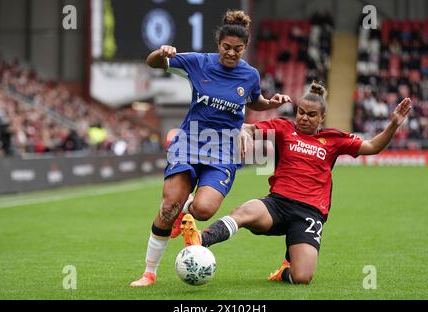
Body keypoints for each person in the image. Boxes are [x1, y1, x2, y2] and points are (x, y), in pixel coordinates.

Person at [181, 82, 412, 285]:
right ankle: (201, 239)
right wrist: (244, 132)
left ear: (321, 118)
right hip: (277, 205)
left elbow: (372, 146)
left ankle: (284, 271)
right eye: (301, 112)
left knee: (302, 278)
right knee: (244, 210)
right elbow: (250, 127)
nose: (303, 117)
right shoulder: (284, 129)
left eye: (311, 115)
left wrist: (393, 124)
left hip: (309, 213)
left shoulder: (334, 139)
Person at [130, 10, 291, 287]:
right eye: (226, 48)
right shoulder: (198, 62)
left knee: (203, 210)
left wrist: (270, 104)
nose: (231, 53)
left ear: (245, 47)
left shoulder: (250, 74)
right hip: (190, 141)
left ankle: (186, 209)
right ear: (218, 44)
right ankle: (149, 273)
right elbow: (153, 62)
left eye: (237, 49)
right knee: (168, 207)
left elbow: (253, 101)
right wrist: (161, 52)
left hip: (224, 150)